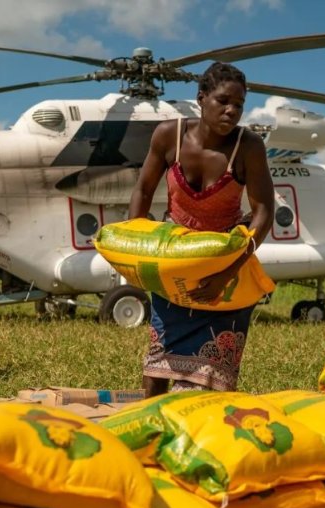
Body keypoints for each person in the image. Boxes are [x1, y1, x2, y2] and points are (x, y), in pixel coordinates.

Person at [128, 62, 275, 395]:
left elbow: (264, 212)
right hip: (176, 266)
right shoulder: (169, 136)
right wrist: (135, 252)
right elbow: (143, 191)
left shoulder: (248, 146)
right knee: (156, 372)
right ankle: (152, 437)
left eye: (239, 104)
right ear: (201, 98)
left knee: (214, 382)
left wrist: (226, 273)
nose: (231, 111)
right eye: (223, 101)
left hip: (227, 272)